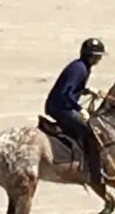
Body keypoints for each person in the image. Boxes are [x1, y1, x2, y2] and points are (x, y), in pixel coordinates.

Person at [46, 38, 110, 193]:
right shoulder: (79, 69)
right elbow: (65, 93)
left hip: (61, 105)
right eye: (98, 56)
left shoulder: (82, 66)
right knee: (91, 132)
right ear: (92, 56)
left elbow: (71, 89)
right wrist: (79, 109)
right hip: (61, 108)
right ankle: (94, 172)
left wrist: (86, 91)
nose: (100, 59)